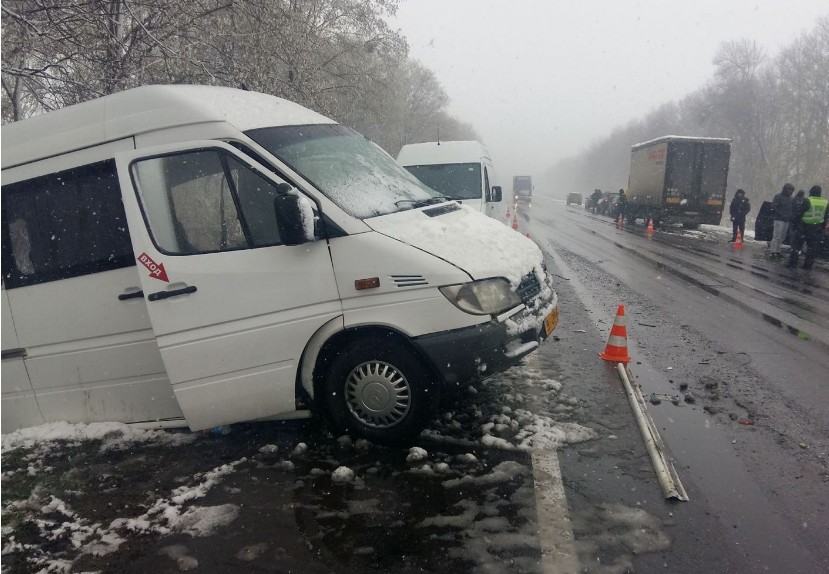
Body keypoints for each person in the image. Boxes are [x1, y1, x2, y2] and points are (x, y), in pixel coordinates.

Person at [787, 185, 828, 270]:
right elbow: (825, 217)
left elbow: (799, 213)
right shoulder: (825, 202)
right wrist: (822, 227)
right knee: (811, 248)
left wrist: (794, 224)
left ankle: (793, 264)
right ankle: (808, 265)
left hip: (804, 226)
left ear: (811, 192)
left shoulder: (808, 200)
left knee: (797, 246)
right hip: (816, 228)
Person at [769, 183, 794, 258]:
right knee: (777, 235)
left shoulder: (791, 199)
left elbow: (791, 209)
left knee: (782, 236)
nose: (790, 191)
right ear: (784, 189)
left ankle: (778, 251)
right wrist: (781, 214)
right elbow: (774, 206)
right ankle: (773, 251)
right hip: (779, 219)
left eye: (791, 190)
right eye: (789, 189)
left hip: (786, 220)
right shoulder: (778, 197)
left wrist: (790, 216)